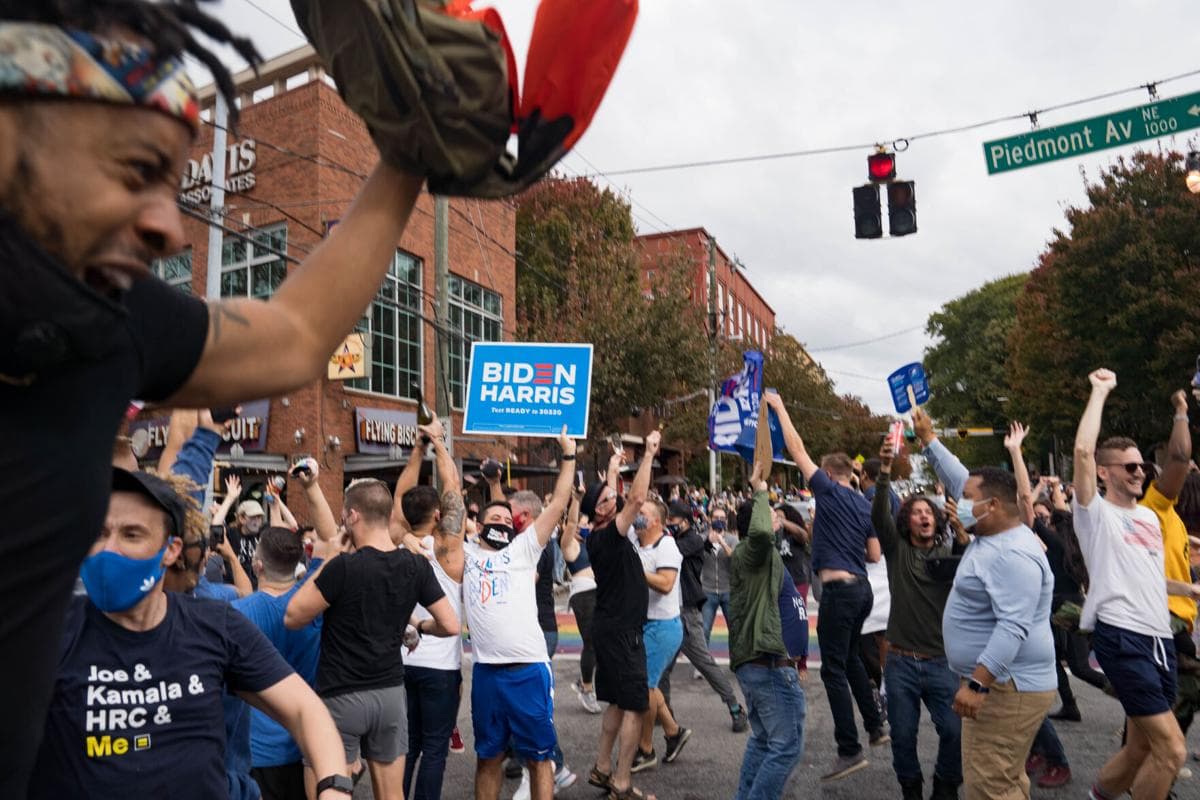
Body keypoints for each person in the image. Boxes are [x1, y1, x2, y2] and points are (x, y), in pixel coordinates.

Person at [0, 6, 434, 785]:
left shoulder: (107, 319)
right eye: (134, 171)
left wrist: (410, 151)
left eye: (174, 183)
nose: (171, 227)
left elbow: (295, 335)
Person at [33, 468, 352, 799]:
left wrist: (334, 787)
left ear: (171, 550)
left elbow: (305, 710)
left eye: (131, 535)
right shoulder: (46, 636)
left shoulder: (215, 625)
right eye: (99, 533)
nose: (108, 549)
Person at [285, 478, 460, 800]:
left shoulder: (343, 567)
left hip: (340, 694)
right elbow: (450, 625)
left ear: (353, 516)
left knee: (330, 789)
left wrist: (330, 558)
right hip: (390, 693)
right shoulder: (415, 565)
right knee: (392, 795)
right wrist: (420, 626)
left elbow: (293, 616)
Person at [1071, 370, 1200, 800]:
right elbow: (1083, 450)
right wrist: (1100, 391)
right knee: (1172, 749)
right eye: (1129, 467)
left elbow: (1147, 575)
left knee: (1141, 746)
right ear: (1105, 474)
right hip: (1123, 636)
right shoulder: (1094, 513)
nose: (1139, 472)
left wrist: (1189, 591)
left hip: (1160, 637)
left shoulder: (1146, 516)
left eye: (1142, 465)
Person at [763, 392, 886, 781]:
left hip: (839, 591)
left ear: (829, 475)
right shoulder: (864, 506)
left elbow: (797, 449)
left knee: (832, 670)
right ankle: (875, 726)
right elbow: (874, 554)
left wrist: (780, 407)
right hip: (862, 589)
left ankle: (849, 750)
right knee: (849, 659)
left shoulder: (829, 492)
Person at [459, 429, 576, 800]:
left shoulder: (524, 549)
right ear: (478, 526)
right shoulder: (468, 554)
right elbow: (483, 509)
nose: (503, 523)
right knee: (488, 758)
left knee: (540, 759)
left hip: (528, 669)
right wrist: (493, 484)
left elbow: (557, 504)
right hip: (487, 672)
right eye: (495, 518)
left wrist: (569, 456)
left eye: (508, 521)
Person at [942, 466, 1057, 800]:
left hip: (1006, 687)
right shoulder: (992, 537)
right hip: (1003, 685)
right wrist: (928, 440)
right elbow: (954, 471)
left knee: (990, 786)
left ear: (991, 505)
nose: (958, 504)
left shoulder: (1011, 553)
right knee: (1002, 778)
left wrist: (978, 683)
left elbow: (1013, 626)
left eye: (966, 498)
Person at [872, 435, 967, 800]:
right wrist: (883, 468)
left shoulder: (950, 552)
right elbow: (879, 513)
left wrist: (961, 532)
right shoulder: (897, 551)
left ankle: (945, 786)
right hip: (900, 664)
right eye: (916, 512)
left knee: (955, 732)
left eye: (929, 511)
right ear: (907, 522)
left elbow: (974, 569)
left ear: (937, 518)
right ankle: (911, 788)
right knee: (904, 735)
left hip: (944, 664)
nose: (924, 515)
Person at [729, 396, 806, 800]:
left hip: (762, 664)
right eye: (773, 514)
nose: (778, 518)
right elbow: (760, 532)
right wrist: (760, 489)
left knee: (763, 740)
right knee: (787, 745)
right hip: (767, 666)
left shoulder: (759, 558)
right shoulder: (752, 550)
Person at [392, 415, 468, 800]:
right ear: (438, 515)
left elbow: (398, 500)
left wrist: (417, 451)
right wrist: (438, 442)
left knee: (410, 744)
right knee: (435, 748)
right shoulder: (447, 547)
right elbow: (452, 486)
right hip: (440, 667)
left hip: (405, 663)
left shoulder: (396, 539)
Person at [583, 433, 660, 800]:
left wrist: (613, 469)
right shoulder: (612, 535)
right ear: (601, 511)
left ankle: (601, 767)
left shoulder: (599, 534)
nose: (614, 499)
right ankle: (622, 782)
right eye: (607, 499)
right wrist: (648, 454)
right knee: (634, 706)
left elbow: (614, 499)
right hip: (622, 633)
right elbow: (637, 498)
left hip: (610, 628)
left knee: (616, 700)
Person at [234, 526, 328, 800]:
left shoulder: (237, 615)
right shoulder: (314, 606)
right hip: (307, 745)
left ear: (257, 565)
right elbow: (329, 541)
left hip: (258, 751)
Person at [659, 500, 748, 733]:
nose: (668, 525)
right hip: (669, 612)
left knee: (705, 663)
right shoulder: (681, 539)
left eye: (671, 521)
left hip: (687, 613)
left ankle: (735, 707)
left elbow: (669, 551)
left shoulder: (691, 541)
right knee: (663, 668)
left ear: (685, 522)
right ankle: (664, 712)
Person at [630, 498, 692, 773]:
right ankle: (673, 732)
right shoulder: (635, 540)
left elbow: (666, 584)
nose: (637, 516)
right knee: (649, 686)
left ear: (656, 521)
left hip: (663, 627)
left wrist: (636, 572)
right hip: (644, 625)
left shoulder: (666, 545)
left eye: (642, 513)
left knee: (646, 688)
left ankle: (645, 750)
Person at [561, 492, 603, 714]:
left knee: (604, 642)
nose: (583, 526)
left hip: (600, 592)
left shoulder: (592, 543)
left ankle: (585, 681)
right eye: (581, 524)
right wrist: (576, 500)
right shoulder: (569, 545)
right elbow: (572, 522)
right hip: (583, 594)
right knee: (591, 643)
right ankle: (587, 689)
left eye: (587, 523)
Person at [700, 507, 737, 647]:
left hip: (728, 590)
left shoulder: (732, 539)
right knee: (704, 630)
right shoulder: (702, 537)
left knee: (735, 630)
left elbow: (736, 559)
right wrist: (708, 541)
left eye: (722, 518)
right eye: (716, 518)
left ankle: (737, 662)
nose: (719, 521)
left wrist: (722, 542)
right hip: (707, 590)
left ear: (726, 521)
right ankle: (704, 664)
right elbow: (696, 555)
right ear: (710, 519)